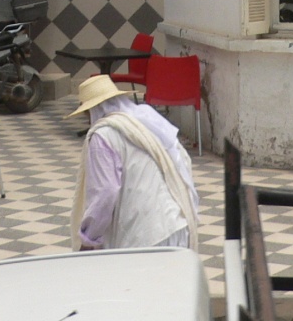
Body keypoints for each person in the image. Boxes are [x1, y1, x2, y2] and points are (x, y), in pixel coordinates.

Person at [67, 74, 199, 251]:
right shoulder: (145, 121)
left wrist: (88, 240)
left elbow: (105, 193)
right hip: (177, 222)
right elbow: (180, 157)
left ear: (90, 111)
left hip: (145, 236)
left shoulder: (103, 136)